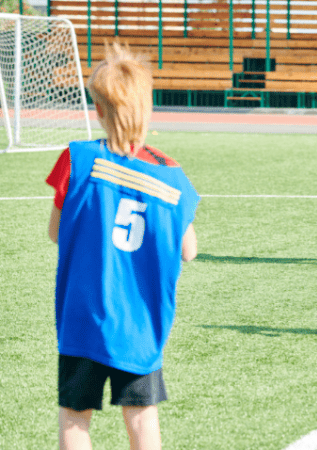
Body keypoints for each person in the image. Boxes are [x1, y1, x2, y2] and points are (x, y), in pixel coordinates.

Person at [45, 43, 200, 450]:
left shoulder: (77, 160)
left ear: (98, 109)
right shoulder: (171, 178)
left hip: (83, 318)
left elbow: (55, 232)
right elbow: (189, 250)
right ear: (147, 108)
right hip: (140, 325)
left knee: (75, 418)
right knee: (142, 419)